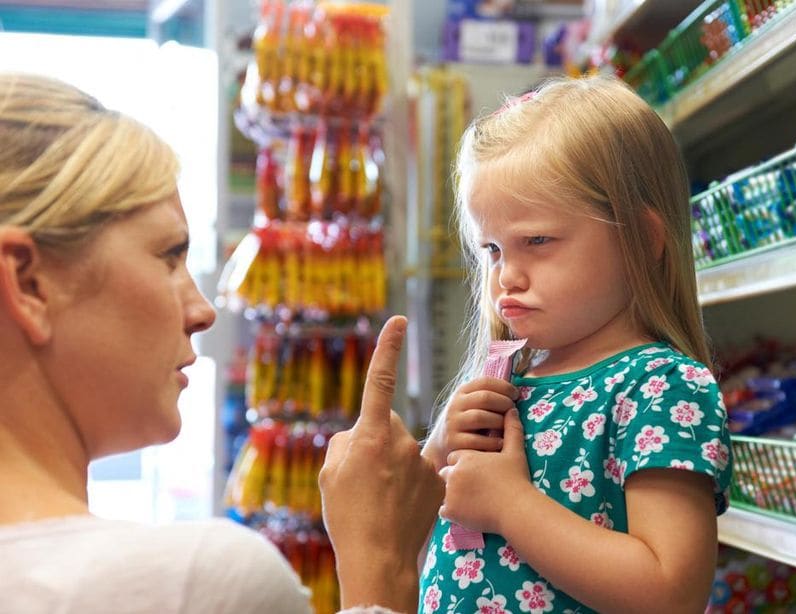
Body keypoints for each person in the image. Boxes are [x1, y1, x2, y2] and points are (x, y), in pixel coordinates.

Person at [0, 73, 441, 614]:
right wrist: (382, 559)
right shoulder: (195, 583)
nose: (203, 311)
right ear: (27, 282)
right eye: (168, 256)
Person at [420, 75, 733, 613]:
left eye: (537, 241)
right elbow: (410, 526)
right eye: (491, 248)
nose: (506, 277)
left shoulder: (660, 386)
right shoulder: (514, 380)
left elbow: (671, 592)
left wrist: (510, 505)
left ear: (643, 239)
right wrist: (439, 448)